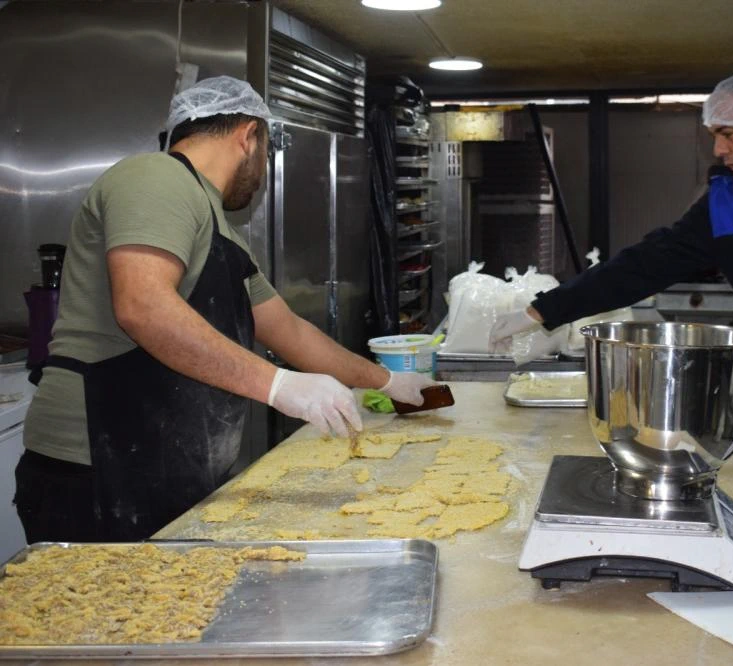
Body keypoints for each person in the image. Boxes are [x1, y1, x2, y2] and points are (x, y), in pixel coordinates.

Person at [490, 71, 733, 613]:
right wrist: (544, 309)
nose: (720, 151)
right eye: (715, 138)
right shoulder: (725, 202)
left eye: (730, 135)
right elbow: (647, 263)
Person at [15, 76, 434, 543]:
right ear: (249, 136)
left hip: (164, 466)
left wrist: (389, 382)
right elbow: (143, 307)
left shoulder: (223, 234)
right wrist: (277, 385)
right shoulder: (156, 177)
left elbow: (288, 330)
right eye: (267, 150)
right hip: (96, 466)